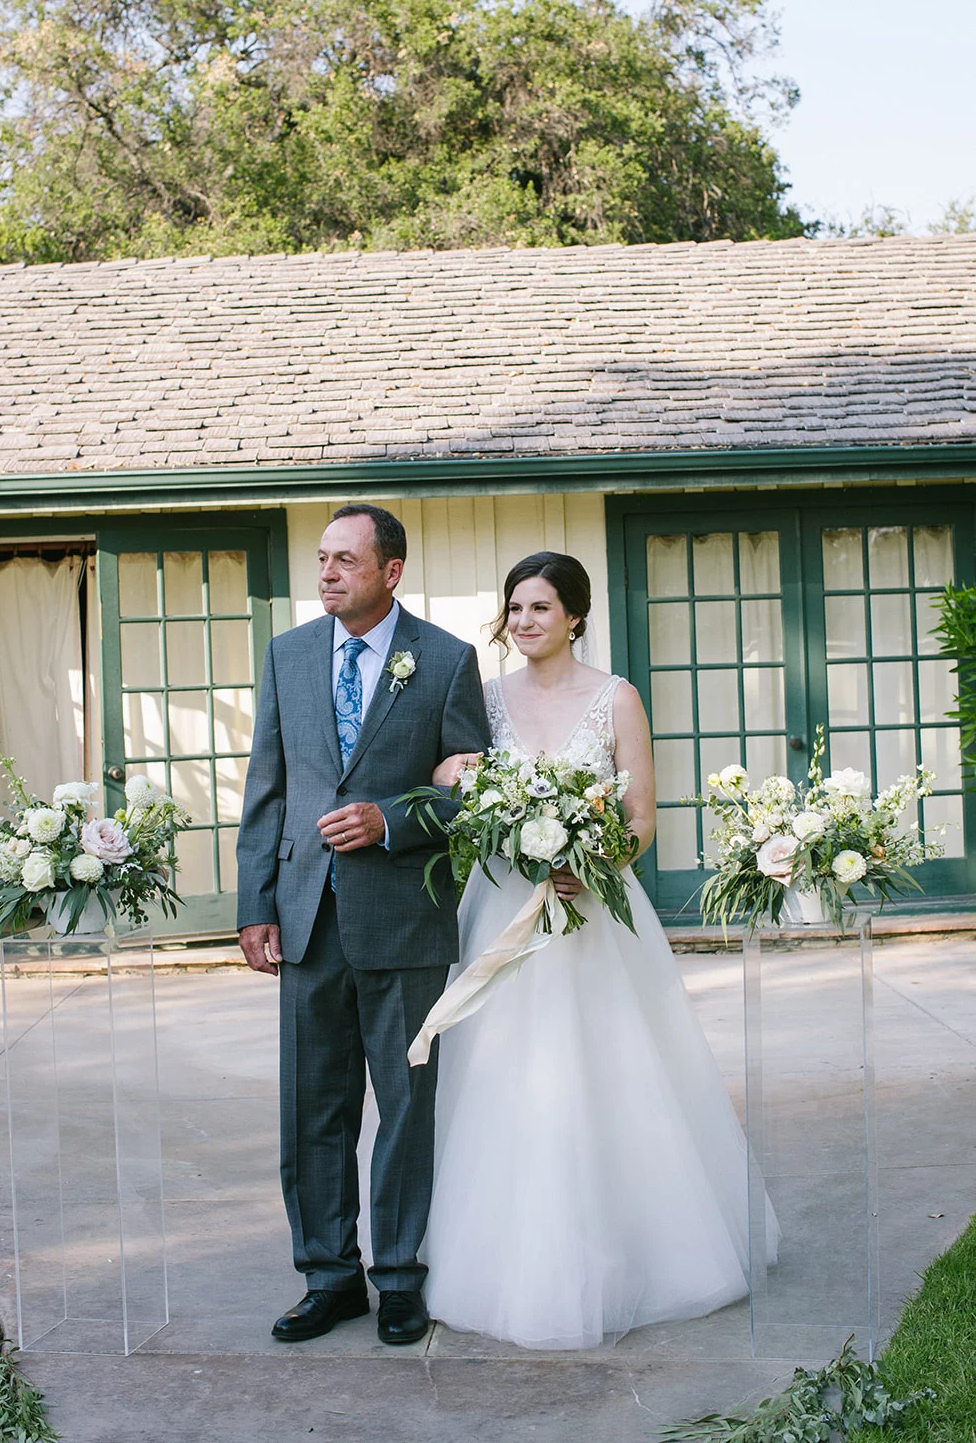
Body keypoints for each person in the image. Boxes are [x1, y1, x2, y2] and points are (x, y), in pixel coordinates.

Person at [422, 551, 774, 1350]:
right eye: (515, 608)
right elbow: (452, 780)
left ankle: (635, 1250)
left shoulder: (615, 697)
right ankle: (491, 1254)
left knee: (613, 1073)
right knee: (493, 1074)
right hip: (502, 907)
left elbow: (640, 814)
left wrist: (597, 858)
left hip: (591, 915)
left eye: (540, 608)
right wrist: (452, 773)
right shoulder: (484, 699)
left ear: (574, 616)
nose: (523, 622)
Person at [236, 503, 490, 1347]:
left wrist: (392, 821)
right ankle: (329, 1277)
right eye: (321, 558)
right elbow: (267, 790)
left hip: (404, 920)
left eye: (345, 559)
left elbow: (474, 795)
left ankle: (399, 1277)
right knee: (313, 1107)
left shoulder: (446, 661)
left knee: (405, 1107)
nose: (327, 573)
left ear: (391, 571)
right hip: (305, 916)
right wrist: (255, 905)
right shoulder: (287, 655)